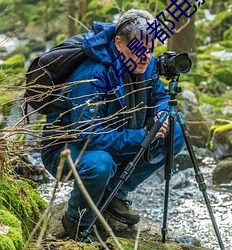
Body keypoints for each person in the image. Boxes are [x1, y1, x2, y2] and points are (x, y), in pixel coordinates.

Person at [41, 9, 185, 241]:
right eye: (139, 49)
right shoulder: (92, 75)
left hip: (117, 136)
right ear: (119, 43)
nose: (146, 56)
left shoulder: (145, 63)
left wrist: (161, 114)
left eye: (151, 49)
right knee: (100, 164)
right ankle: (76, 221)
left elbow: (159, 96)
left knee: (175, 132)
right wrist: (142, 135)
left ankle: (115, 193)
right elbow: (87, 136)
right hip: (67, 150)